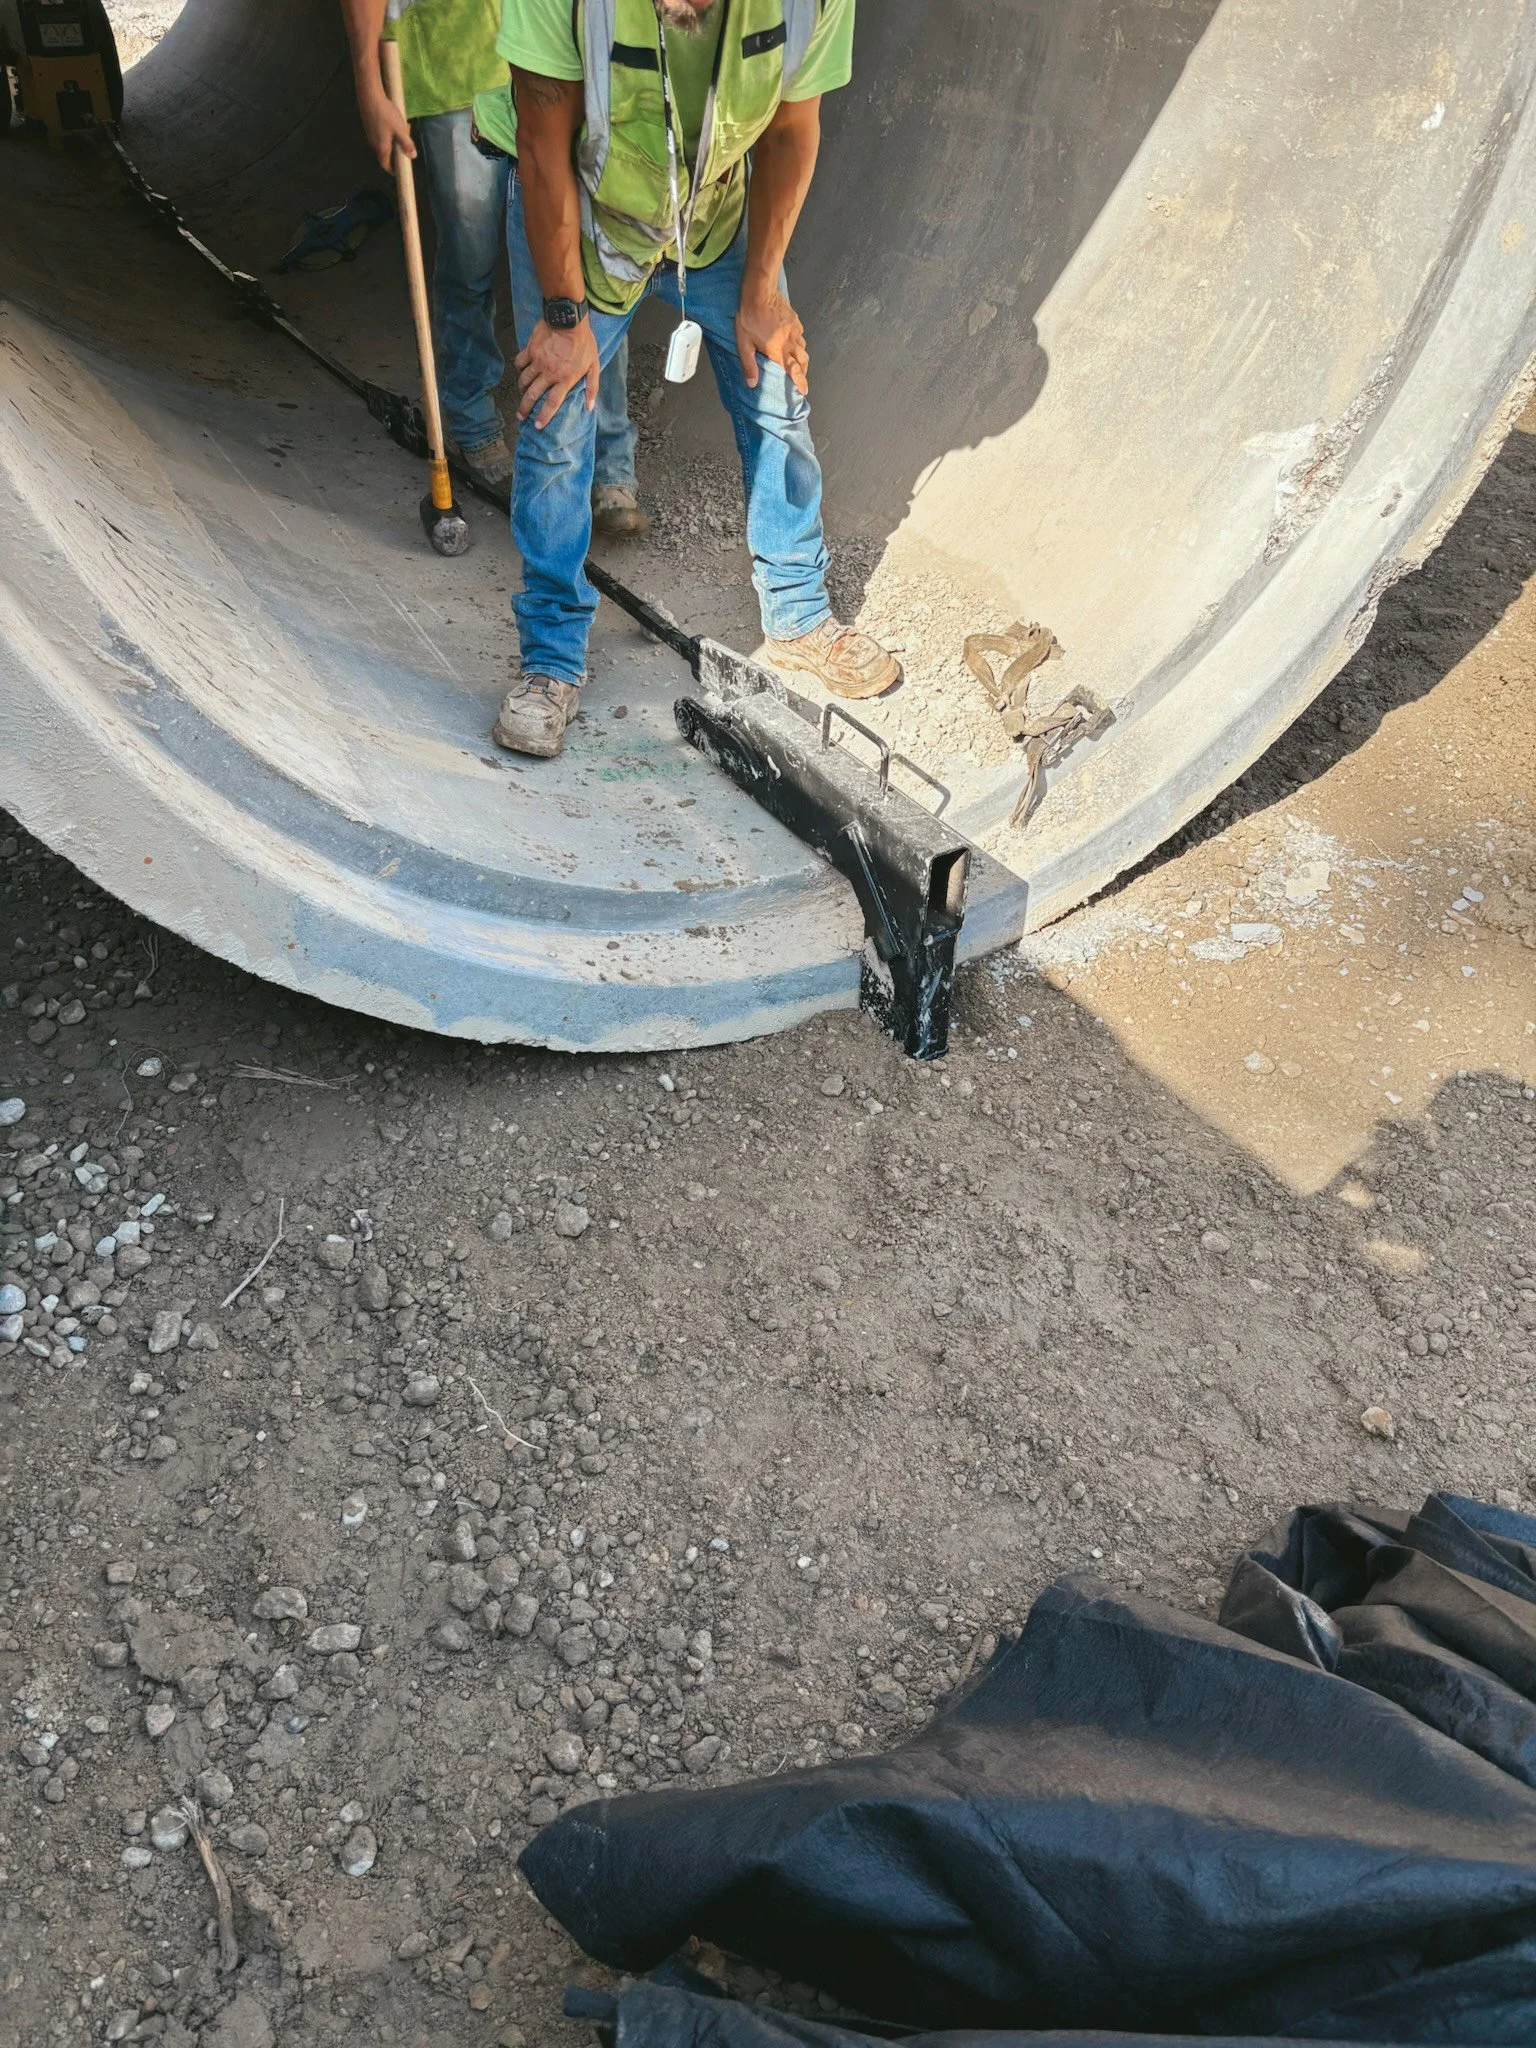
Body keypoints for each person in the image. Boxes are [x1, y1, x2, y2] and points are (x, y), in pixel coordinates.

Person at [473, 0, 900, 759]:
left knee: (776, 379)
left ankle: (799, 615)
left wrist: (762, 291)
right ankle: (550, 657)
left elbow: (793, 130)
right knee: (558, 413)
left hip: (713, 206)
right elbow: (543, 150)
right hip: (583, 199)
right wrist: (566, 322)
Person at [339, 0, 647, 533]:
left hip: (553, 66)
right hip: (457, 76)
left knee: (585, 273)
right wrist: (370, 83)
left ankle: (610, 458)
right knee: (470, 260)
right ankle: (471, 416)